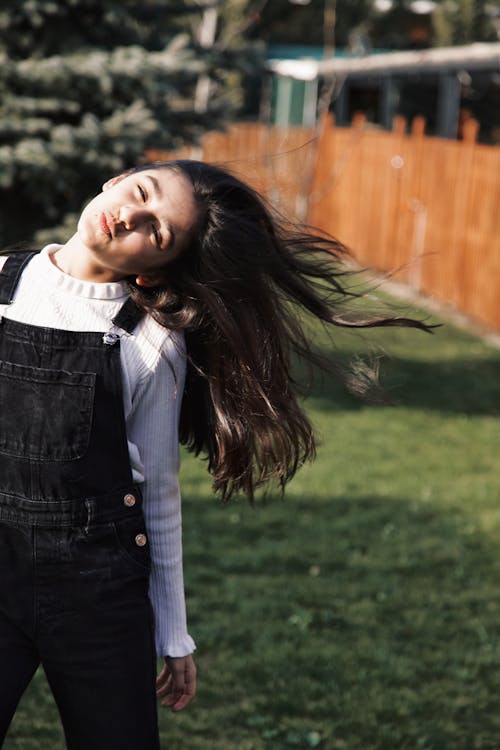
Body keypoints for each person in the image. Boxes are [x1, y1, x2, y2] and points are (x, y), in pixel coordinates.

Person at [0, 159, 432, 749]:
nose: (128, 216)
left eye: (154, 231)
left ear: (155, 273)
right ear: (117, 179)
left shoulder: (150, 341)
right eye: (140, 193)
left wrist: (172, 633)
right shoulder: (3, 280)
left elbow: (158, 495)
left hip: (97, 593)